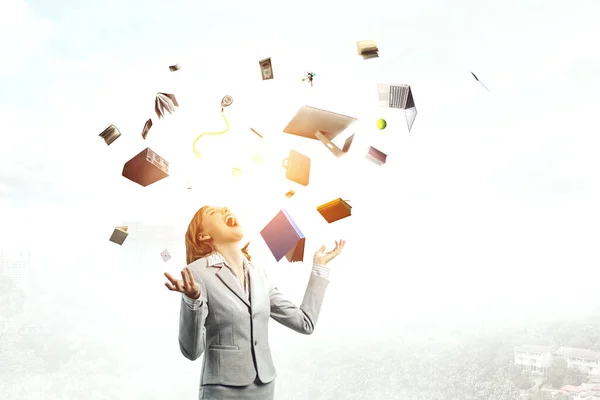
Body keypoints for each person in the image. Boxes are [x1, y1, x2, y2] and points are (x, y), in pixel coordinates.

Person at [164, 205, 345, 400]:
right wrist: (192, 301)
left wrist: (319, 267)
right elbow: (191, 351)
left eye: (226, 208)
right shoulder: (196, 273)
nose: (225, 210)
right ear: (203, 236)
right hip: (222, 390)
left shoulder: (259, 274)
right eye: (213, 212)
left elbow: (305, 323)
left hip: (264, 385)